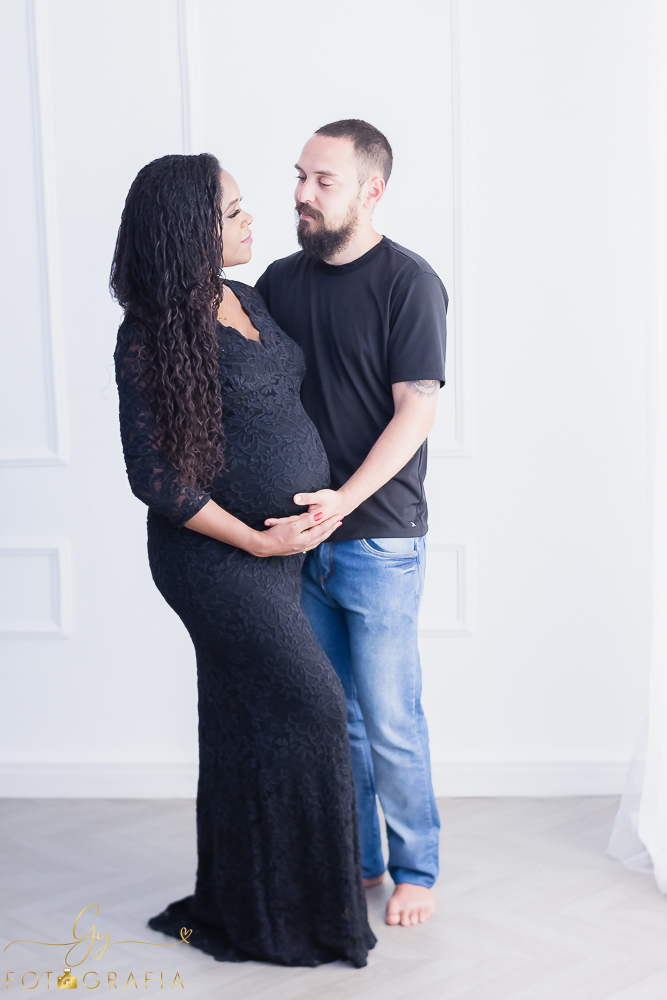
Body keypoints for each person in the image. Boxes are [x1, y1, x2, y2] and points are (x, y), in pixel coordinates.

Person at [111, 153, 376, 967]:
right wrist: (259, 538)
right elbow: (153, 477)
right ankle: (311, 913)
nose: (250, 221)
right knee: (315, 708)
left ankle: (255, 905)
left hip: (278, 556)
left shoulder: (249, 298)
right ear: (191, 232)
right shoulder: (149, 334)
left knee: (245, 721)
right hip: (216, 561)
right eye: (232, 213)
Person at [256, 120, 447, 928]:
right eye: (299, 175)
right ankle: (359, 860)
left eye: (322, 180)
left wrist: (343, 498)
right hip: (300, 541)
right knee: (336, 718)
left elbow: (417, 411)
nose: (301, 193)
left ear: (371, 190)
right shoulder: (274, 280)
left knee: (392, 717)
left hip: (378, 538)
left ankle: (416, 868)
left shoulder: (410, 282)